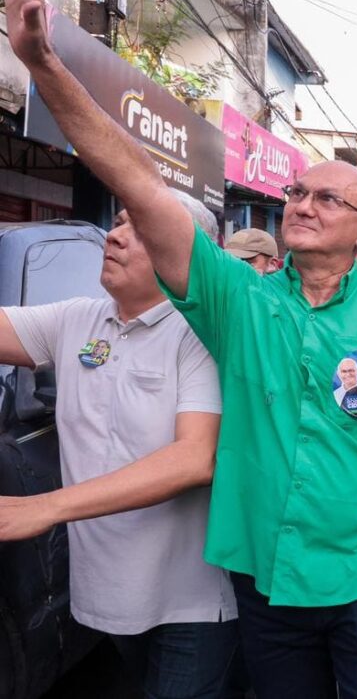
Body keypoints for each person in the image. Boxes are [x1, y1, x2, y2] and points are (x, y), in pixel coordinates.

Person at [1, 0, 357, 697]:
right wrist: (45, 66)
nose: (304, 204)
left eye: (329, 198)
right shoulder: (237, 300)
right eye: (297, 193)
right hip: (265, 579)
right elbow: (139, 182)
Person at [0, 196, 237, 699]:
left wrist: (44, 508)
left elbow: (195, 458)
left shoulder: (203, 334)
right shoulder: (77, 320)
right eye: (119, 222)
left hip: (189, 601)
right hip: (107, 591)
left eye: (140, 228)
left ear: (185, 254)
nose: (114, 235)